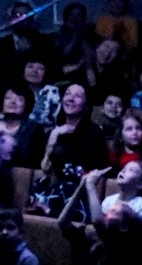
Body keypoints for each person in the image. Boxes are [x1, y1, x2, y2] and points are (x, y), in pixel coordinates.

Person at [17, 83, 108, 215]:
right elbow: (43, 167)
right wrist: (53, 137)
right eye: (68, 94)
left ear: (86, 106)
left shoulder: (94, 133)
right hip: (52, 185)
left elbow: (99, 169)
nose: (71, 98)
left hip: (78, 191)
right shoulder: (53, 131)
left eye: (77, 96)